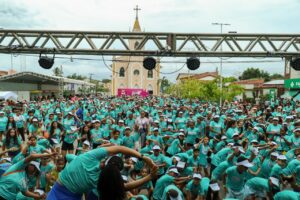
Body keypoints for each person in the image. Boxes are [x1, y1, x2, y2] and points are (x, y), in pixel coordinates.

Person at [47, 145, 157, 200]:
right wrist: (149, 177)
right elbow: (124, 186)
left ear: (105, 160)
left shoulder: (90, 156)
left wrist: (143, 157)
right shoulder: (102, 180)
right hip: (67, 194)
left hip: (59, 191)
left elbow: (119, 148)